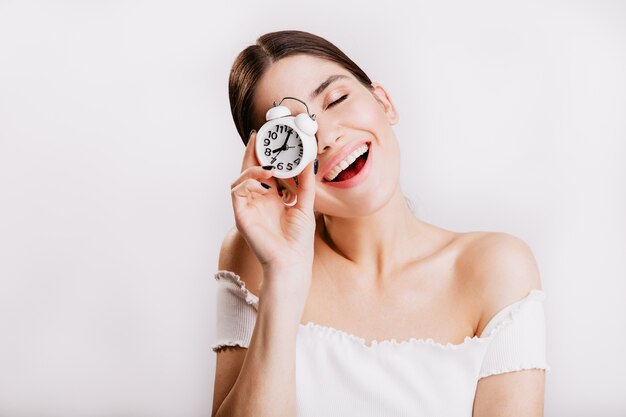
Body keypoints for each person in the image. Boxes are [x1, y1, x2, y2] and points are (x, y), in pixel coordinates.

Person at [211, 30, 550, 417]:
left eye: (337, 99)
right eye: (291, 135)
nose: (326, 136)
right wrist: (283, 279)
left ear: (384, 102)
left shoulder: (497, 267)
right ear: (275, 170)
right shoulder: (254, 257)